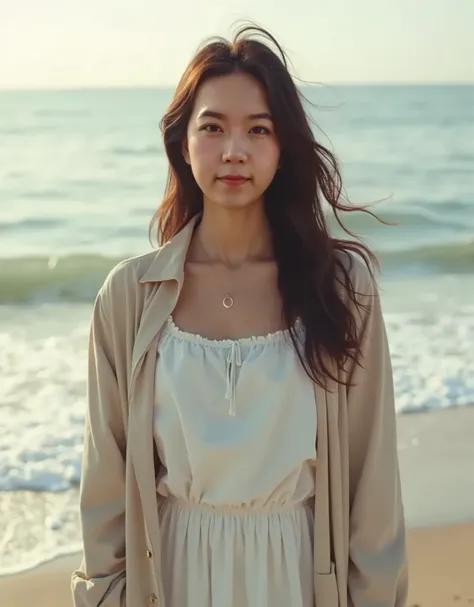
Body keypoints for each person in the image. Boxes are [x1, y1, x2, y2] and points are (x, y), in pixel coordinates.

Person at [71, 24, 408, 607]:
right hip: (171, 575)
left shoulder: (341, 290)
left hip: (299, 575)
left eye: (259, 129)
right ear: (183, 143)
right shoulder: (129, 296)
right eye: (212, 127)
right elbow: (105, 484)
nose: (234, 151)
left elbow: (371, 481)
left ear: (284, 148)